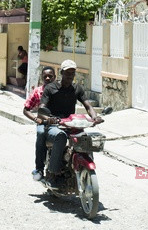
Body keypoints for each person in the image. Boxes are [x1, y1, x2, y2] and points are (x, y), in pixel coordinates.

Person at [39, 59, 102, 190]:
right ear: (61, 72)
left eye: (72, 73)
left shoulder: (77, 89)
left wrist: (95, 117)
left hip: (71, 123)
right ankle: (52, 173)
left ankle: (83, 164)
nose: (70, 75)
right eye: (67, 72)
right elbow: (41, 109)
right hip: (54, 125)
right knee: (60, 136)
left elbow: (87, 105)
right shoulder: (50, 88)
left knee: (85, 138)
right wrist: (49, 118)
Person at [23, 66, 56, 181]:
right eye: (45, 76)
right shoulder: (38, 91)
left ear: (55, 77)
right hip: (44, 122)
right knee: (41, 133)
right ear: (42, 78)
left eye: (50, 76)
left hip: (59, 121)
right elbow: (26, 109)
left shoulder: (60, 90)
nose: (48, 78)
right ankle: (39, 169)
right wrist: (35, 119)